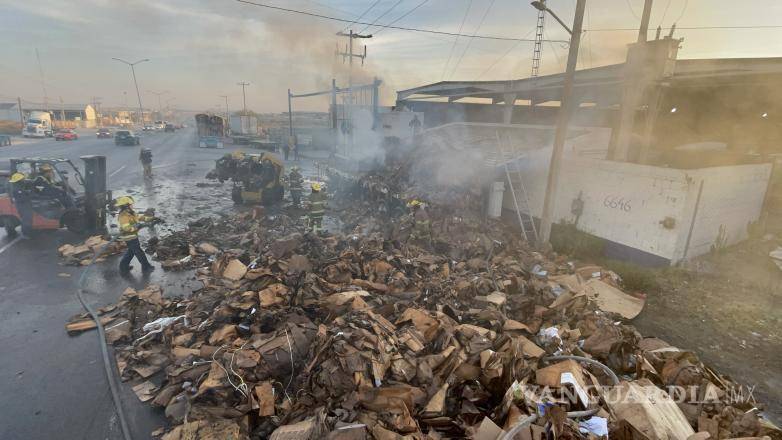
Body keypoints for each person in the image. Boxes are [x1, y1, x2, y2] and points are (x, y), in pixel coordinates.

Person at [116, 196, 156, 274]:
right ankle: (146, 267)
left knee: (131, 252)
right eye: (131, 204)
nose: (132, 205)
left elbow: (140, 218)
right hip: (129, 237)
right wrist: (137, 226)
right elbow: (126, 228)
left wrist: (151, 218)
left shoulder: (131, 213)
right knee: (139, 252)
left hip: (133, 236)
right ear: (126, 206)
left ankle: (123, 267)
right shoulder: (123, 216)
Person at [8, 172, 33, 238]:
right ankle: (26, 234)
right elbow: (22, 198)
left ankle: (27, 233)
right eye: (23, 178)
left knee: (27, 219)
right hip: (23, 206)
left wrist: (27, 192)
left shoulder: (18, 185)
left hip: (23, 205)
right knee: (26, 220)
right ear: (19, 180)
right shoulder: (17, 189)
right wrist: (29, 194)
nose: (24, 179)